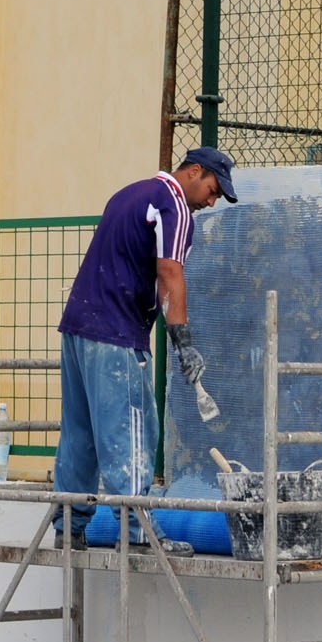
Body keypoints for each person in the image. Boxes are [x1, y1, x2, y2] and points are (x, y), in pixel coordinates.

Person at [53, 146, 237, 539]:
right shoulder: (174, 205)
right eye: (213, 189)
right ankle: (137, 532)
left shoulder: (128, 194)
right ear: (194, 172)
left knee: (80, 435)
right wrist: (183, 341)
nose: (212, 200)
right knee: (132, 431)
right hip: (116, 335)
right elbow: (169, 273)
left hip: (76, 331)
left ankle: (70, 526)